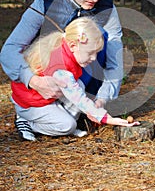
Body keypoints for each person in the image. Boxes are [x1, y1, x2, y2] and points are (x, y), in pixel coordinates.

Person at [0, 0, 124, 140]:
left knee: (101, 37)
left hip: (78, 76)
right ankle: (29, 115)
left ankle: (82, 103)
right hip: (46, 75)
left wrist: (103, 97)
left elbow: (115, 60)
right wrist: (33, 81)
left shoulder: (106, 6)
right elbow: (10, 49)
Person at [10, 17, 139, 141]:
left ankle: (64, 122)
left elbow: (75, 90)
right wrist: (108, 119)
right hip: (32, 105)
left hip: (49, 97)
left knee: (80, 85)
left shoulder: (67, 49)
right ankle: (27, 122)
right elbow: (78, 98)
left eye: (96, 53)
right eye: (90, 53)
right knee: (67, 125)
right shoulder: (60, 68)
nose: (94, 58)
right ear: (73, 46)